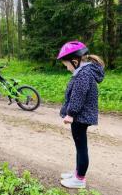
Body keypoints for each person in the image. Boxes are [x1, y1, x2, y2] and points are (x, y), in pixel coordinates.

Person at [57, 41, 105, 189]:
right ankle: (77, 173)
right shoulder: (84, 71)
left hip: (80, 117)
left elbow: (78, 96)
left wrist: (70, 114)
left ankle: (79, 179)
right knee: (80, 147)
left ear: (75, 61)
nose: (66, 68)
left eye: (66, 65)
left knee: (81, 147)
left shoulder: (83, 74)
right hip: (81, 116)